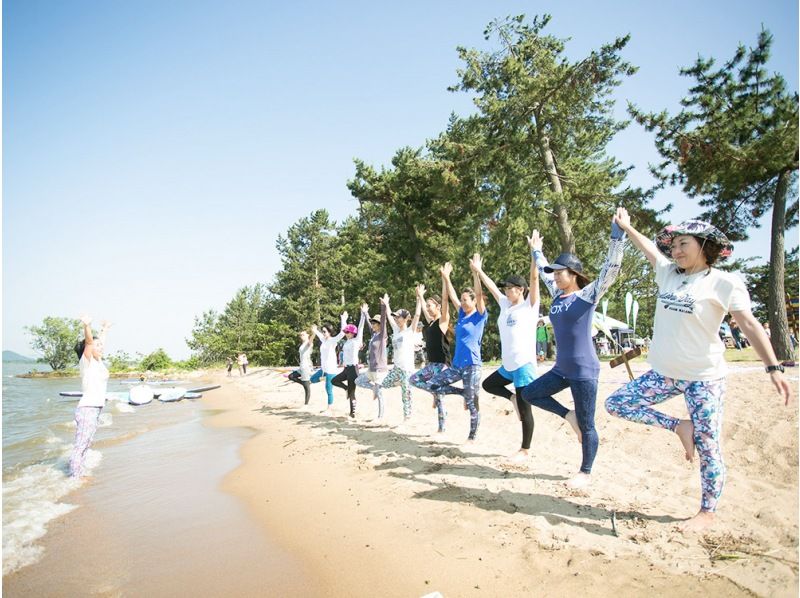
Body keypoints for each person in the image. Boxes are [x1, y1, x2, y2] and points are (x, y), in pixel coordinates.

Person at [605, 215, 791, 532]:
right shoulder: (667, 274)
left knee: (708, 445)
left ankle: (707, 511)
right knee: (617, 403)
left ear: (705, 246)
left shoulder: (724, 282)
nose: (676, 251)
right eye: (673, 245)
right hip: (664, 374)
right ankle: (680, 426)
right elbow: (649, 248)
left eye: (683, 244)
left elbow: (748, 324)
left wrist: (772, 366)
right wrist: (626, 227)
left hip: (704, 378)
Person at [520, 208, 627, 489]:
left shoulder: (588, 294)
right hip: (561, 368)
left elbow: (610, 270)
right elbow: (543, 273)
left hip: (583, 370)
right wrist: (536, 252)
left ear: (574, 274)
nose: (554, 277)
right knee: (530, 393)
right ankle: (569, 416)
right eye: (553, 273)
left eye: (559, 273)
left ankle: (585, 471)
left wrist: (618, 235)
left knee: (588, 424)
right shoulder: (556, 294)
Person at [473, 246, 539, 463]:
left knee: (524, 408)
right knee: (488, 384)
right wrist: (479, 271)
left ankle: (525, 449)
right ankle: (511, 397)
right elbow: (492, 288)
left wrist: (534, 254)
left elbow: (534, 278)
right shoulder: (505, 305)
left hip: (523, 365)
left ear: (520, 289)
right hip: (508, 365)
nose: (506, 291)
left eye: (509, 288)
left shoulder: (530, 305)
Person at [428, 259, 488, 442]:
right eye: (461, 300)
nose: (461, 302)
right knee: (434, 384)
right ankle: (463, 392)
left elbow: (478, 294)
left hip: (472, 365)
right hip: (457, 365)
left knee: (472, 404)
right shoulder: (462, 315)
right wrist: (446, 278)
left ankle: (472, 435)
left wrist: (476, 272)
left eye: (465, 300)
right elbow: (452, 296)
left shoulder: (479, 316)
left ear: (473, 301)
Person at [69, 316, 111, 478]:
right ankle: (73, 478)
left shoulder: (98, 362)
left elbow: (98, 343)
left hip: (95, 409)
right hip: (87, 409)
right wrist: (87, 325)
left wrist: (105, 329)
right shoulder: (87, 363)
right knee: (81, 445)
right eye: (97, 346)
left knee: (87, 443)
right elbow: (90, 343)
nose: (101, 347)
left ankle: (78, 471)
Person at [410, 284, 452, 433]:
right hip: (431, 364)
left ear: (438, 306)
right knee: (413, 380)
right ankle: (435, 392)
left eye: (430, 306)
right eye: (427, 306)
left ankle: (442, 428)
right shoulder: (432, 322)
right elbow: (425, 311)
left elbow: (446, 303)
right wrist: (420, 296)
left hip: (442, 365)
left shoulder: (442, 322)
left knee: (440, 397)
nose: (427, 308)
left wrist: (445, 282)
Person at [380, 297, 422, 422]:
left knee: (406, 395)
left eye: (398, 317)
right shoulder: (396, 330)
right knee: (384, 384)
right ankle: (402, 383)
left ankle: (407, 417)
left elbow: (417, 315)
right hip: (397, 368)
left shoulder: (410, 331)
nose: (396, 319)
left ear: (405, 319)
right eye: (396, 317)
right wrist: (387, 304)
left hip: (407, 368)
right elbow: (388, 315)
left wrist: (419, 299)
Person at [356, 298, 390, 421]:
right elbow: (369, 325)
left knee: (380, 394)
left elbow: (384, 320)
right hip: (371, 368)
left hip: (380, 369)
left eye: (375, 323)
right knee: (358, 381)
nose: (373, 325)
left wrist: (383, 306)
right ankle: (374, 388)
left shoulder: (382, 335)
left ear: (380, 325)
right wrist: (365, 313)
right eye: (373, 323)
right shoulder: (374, 335)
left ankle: (380, 417)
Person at [332, 306, 367, 418]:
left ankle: (352, 413)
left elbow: (361, 327)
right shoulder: (347, 342)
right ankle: (346, 389)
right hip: (346, 369)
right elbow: (344, 328)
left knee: (352, 392)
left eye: (349, 332)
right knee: (334, 381)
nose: (347, 333)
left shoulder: (356, 341)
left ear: (353, 333)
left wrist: (363, 314)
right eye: (346, 332)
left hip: (353, 369)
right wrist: (343, 319)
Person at [312, 313, 347, 414]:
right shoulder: (323, 340)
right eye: (322, 331)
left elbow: (342, 333)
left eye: (324, 331)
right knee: (312, 379)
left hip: (331, 369)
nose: (323, 333)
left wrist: (343, 319)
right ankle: (345, 388)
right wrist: (315, 330)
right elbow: (318, 335)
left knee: (328, 389)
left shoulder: (333, 341)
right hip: (323, 369)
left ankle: (329, 408)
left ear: (329, 332)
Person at [287, 330, 315, 405]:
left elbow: (311, 340)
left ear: (307, 335)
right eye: (300, 335)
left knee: (306, 388)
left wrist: (314, 333)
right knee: (291, 376)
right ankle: (306, 383)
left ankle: (306, 404)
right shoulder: (302, 344)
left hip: (306, 367)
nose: (301, 336)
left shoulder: (309, 343)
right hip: (302, 367)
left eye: (303, 334)